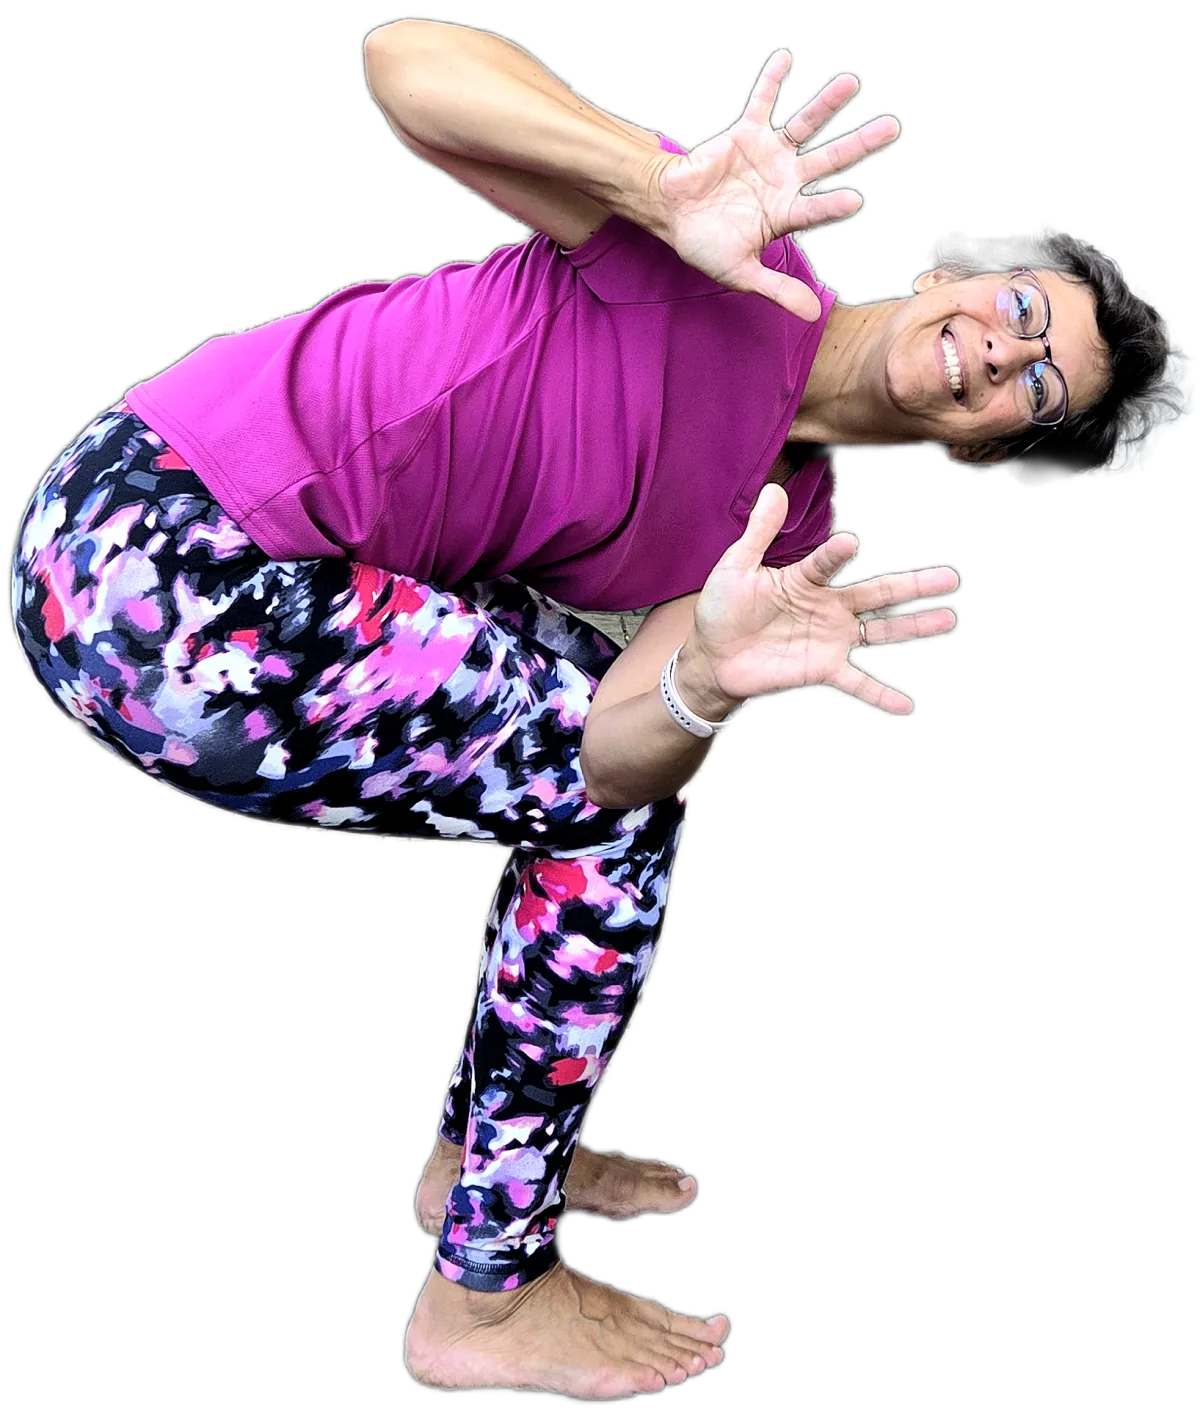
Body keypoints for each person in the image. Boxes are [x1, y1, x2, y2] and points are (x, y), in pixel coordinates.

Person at [7, 22, 1181, 1402]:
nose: (1002, 351)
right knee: (609, 826)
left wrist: (703, 681)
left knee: (626, 789)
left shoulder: (779, 538)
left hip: (238, 586)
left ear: (994, 451)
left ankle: (482, 1160)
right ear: (955, 275)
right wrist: (650, 183)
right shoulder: (735, 258)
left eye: (1040, 385)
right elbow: (403, 66)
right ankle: (486, 1296)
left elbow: (620, 754)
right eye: (1024, 308)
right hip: (155, 555)